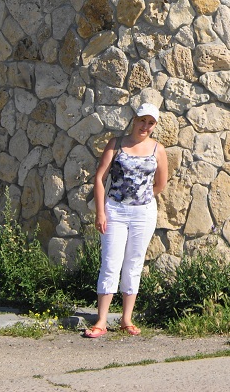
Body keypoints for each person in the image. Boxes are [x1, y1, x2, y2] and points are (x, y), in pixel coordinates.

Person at [81, 102, 168, 339]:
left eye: (150, 123)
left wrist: (141, 197)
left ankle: (126, 319)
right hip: (115, 211)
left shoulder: (157, 149)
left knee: (134, 264)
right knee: (110, 262)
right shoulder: (116, 144)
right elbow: (99, 178)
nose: (145, 126)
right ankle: (101, 320)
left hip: (143, 214)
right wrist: (101, 212)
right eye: (142, 120)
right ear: (134, 120)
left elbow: (160, 183)